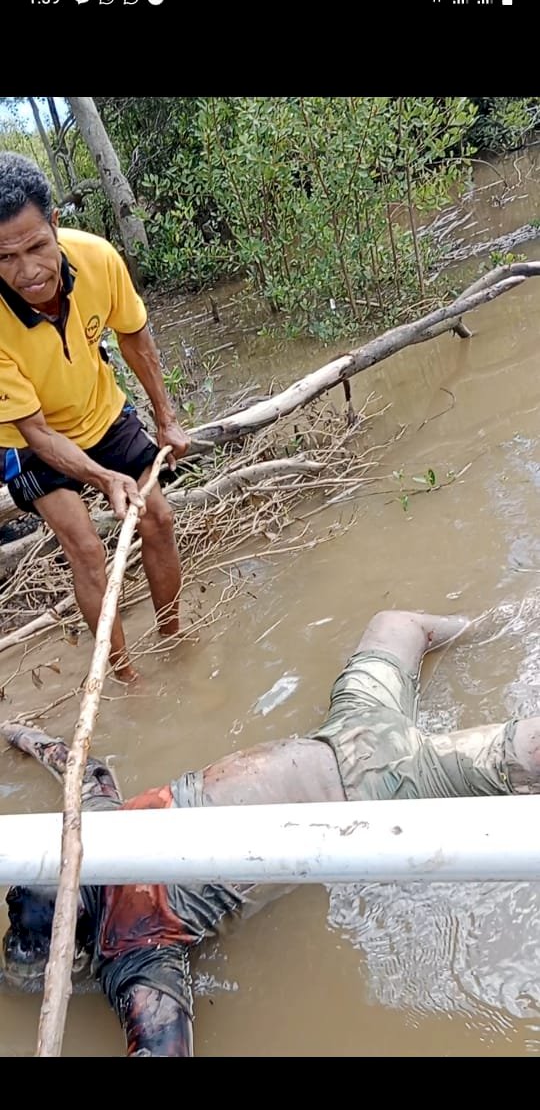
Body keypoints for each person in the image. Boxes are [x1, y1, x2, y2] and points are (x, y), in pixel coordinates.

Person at [2, 607, 540, 1056]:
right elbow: (87, 770)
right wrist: (27, 738)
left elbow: (83, 770)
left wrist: (21, 735)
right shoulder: (135, 940)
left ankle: (506, 619)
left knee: (397, 623)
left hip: (354, 739)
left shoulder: (117, 904)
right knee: (402, 629)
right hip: (376, 785)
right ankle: (501, 620)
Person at [0, 152, 191, 682]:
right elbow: (35, 431)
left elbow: (133, 336)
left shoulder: (98, 258)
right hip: (25, 436)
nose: (29, 271)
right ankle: (124, 674)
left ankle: (174, 638)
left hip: (100, 411)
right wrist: (105, 478)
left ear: (56, 225)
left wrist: (166, 417)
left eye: (37, 246)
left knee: (158, 519)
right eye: (6, 258)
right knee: (85, 547)